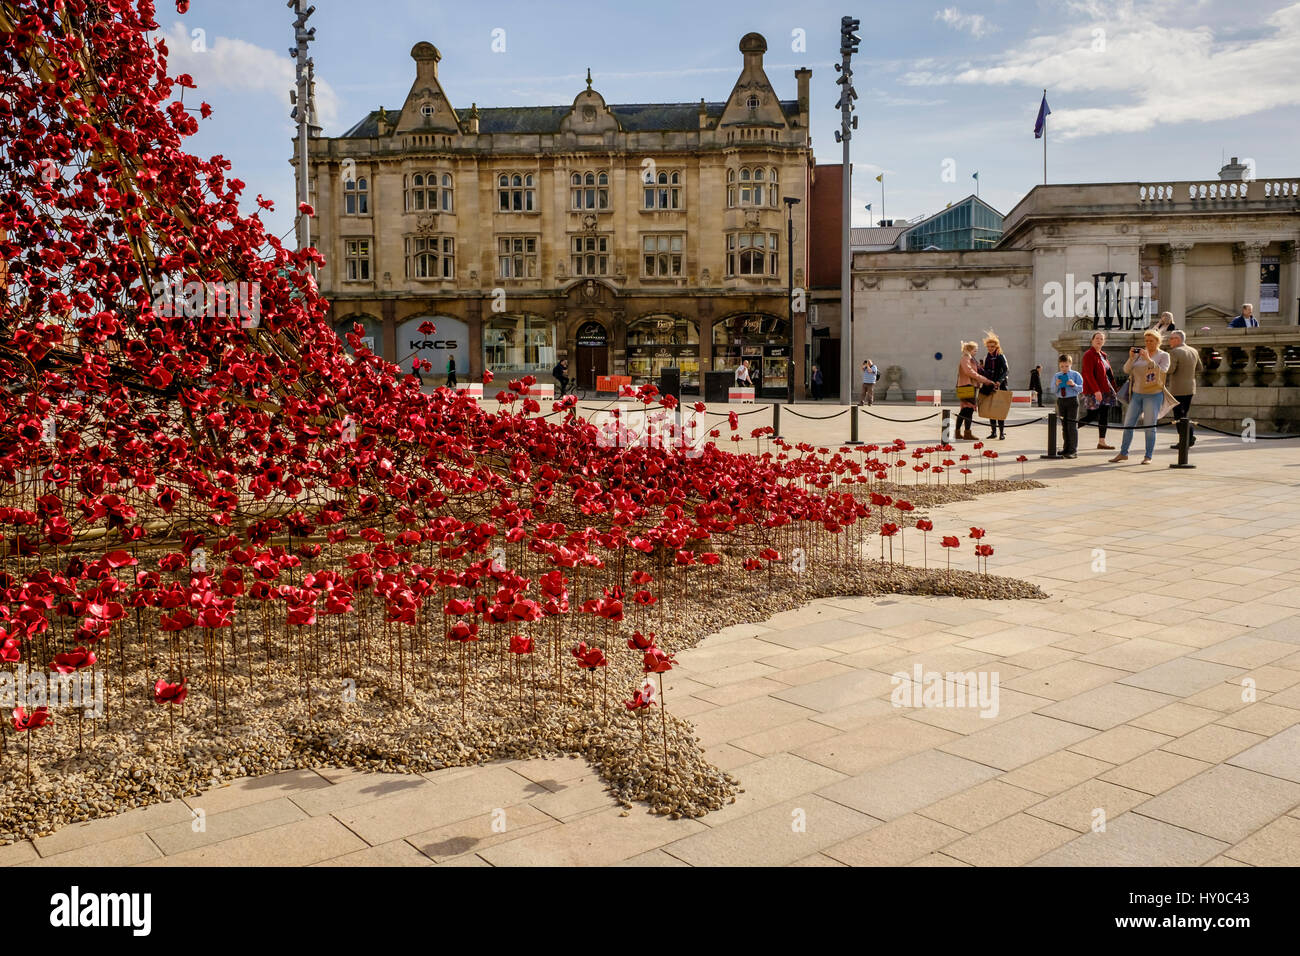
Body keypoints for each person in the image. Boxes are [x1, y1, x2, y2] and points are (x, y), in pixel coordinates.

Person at [1110, 328, 1170, 464]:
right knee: (1128, 424)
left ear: (1158, 341)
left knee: (1149, 426)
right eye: (1146, 341)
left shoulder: (1164, 355)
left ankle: (1148, 456)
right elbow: (1126, 370)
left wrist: (1148, 359)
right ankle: (1123, 453)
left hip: (1153, 395)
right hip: (1137, 394)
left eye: (1151, 341)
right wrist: (1131, 358)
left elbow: (1163, 372)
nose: (1148, 343)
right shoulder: (1139, 355)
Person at [1166, 329, 1203, 448]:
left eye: (1171, 338)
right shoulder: (1193, 350)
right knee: (1184, 414)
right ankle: (1188, 438)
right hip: (1190, 387)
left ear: (1178, 339)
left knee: (1179, 416)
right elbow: (1199, 368)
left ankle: (1186, 439)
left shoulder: (1175, 352)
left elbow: (1170, 370)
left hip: (1178, 388)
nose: (1169, 340)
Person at [1080, 330, 1117, 451]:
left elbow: (1108, 374)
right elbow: (1088, 374)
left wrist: (1115, 389)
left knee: (1104, 416)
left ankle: (1102, 442)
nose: (1099, 340)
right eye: (1097, 338)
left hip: (1106, 390)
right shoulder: (1089, 355)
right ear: (1092, 340)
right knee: (1091, 416)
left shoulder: (1103, 355)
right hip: (1093, 391)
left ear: (1104, 341)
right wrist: (1096, 391)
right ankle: (1069, 431)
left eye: (1101, 339)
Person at [955, 341, 995, 441]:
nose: (976, 351)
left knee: (964, 410)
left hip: (965, 386)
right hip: (966, 386)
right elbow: (969, 371)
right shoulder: (966, 358)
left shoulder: (969, 358)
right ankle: (967, 433)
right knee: (968, 410)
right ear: (969, 350)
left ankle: (958, 432)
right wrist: (985, 380)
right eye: (975, 349)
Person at [1050, 353, 1084, 459]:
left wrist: (1073, 384)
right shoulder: (1056, 376)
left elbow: (1081, 389)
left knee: (1072, 426)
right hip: (1061, 401)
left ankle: (1073, 450)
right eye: (1062, 366)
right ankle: (1066, 448)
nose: (1064, 368)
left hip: (1072, 401)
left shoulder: (1075, 375)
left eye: (1066, 366)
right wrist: (1057, 384)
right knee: (1064, 426)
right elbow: (1053, 390)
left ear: (1070, 364)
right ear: (1059, 365)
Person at [980, 331, 1009, 439]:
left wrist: (999, 381)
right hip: (989, 385)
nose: (990, 348)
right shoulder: (987, 357)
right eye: (988, 346)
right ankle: (993, 432)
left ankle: (1001, 433)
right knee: (991, 409)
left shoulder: (1001, 356)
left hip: (1000, 385)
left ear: (996, 346)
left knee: (1000, 410)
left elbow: (1006, 370)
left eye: (992, 346)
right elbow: (987, 370)